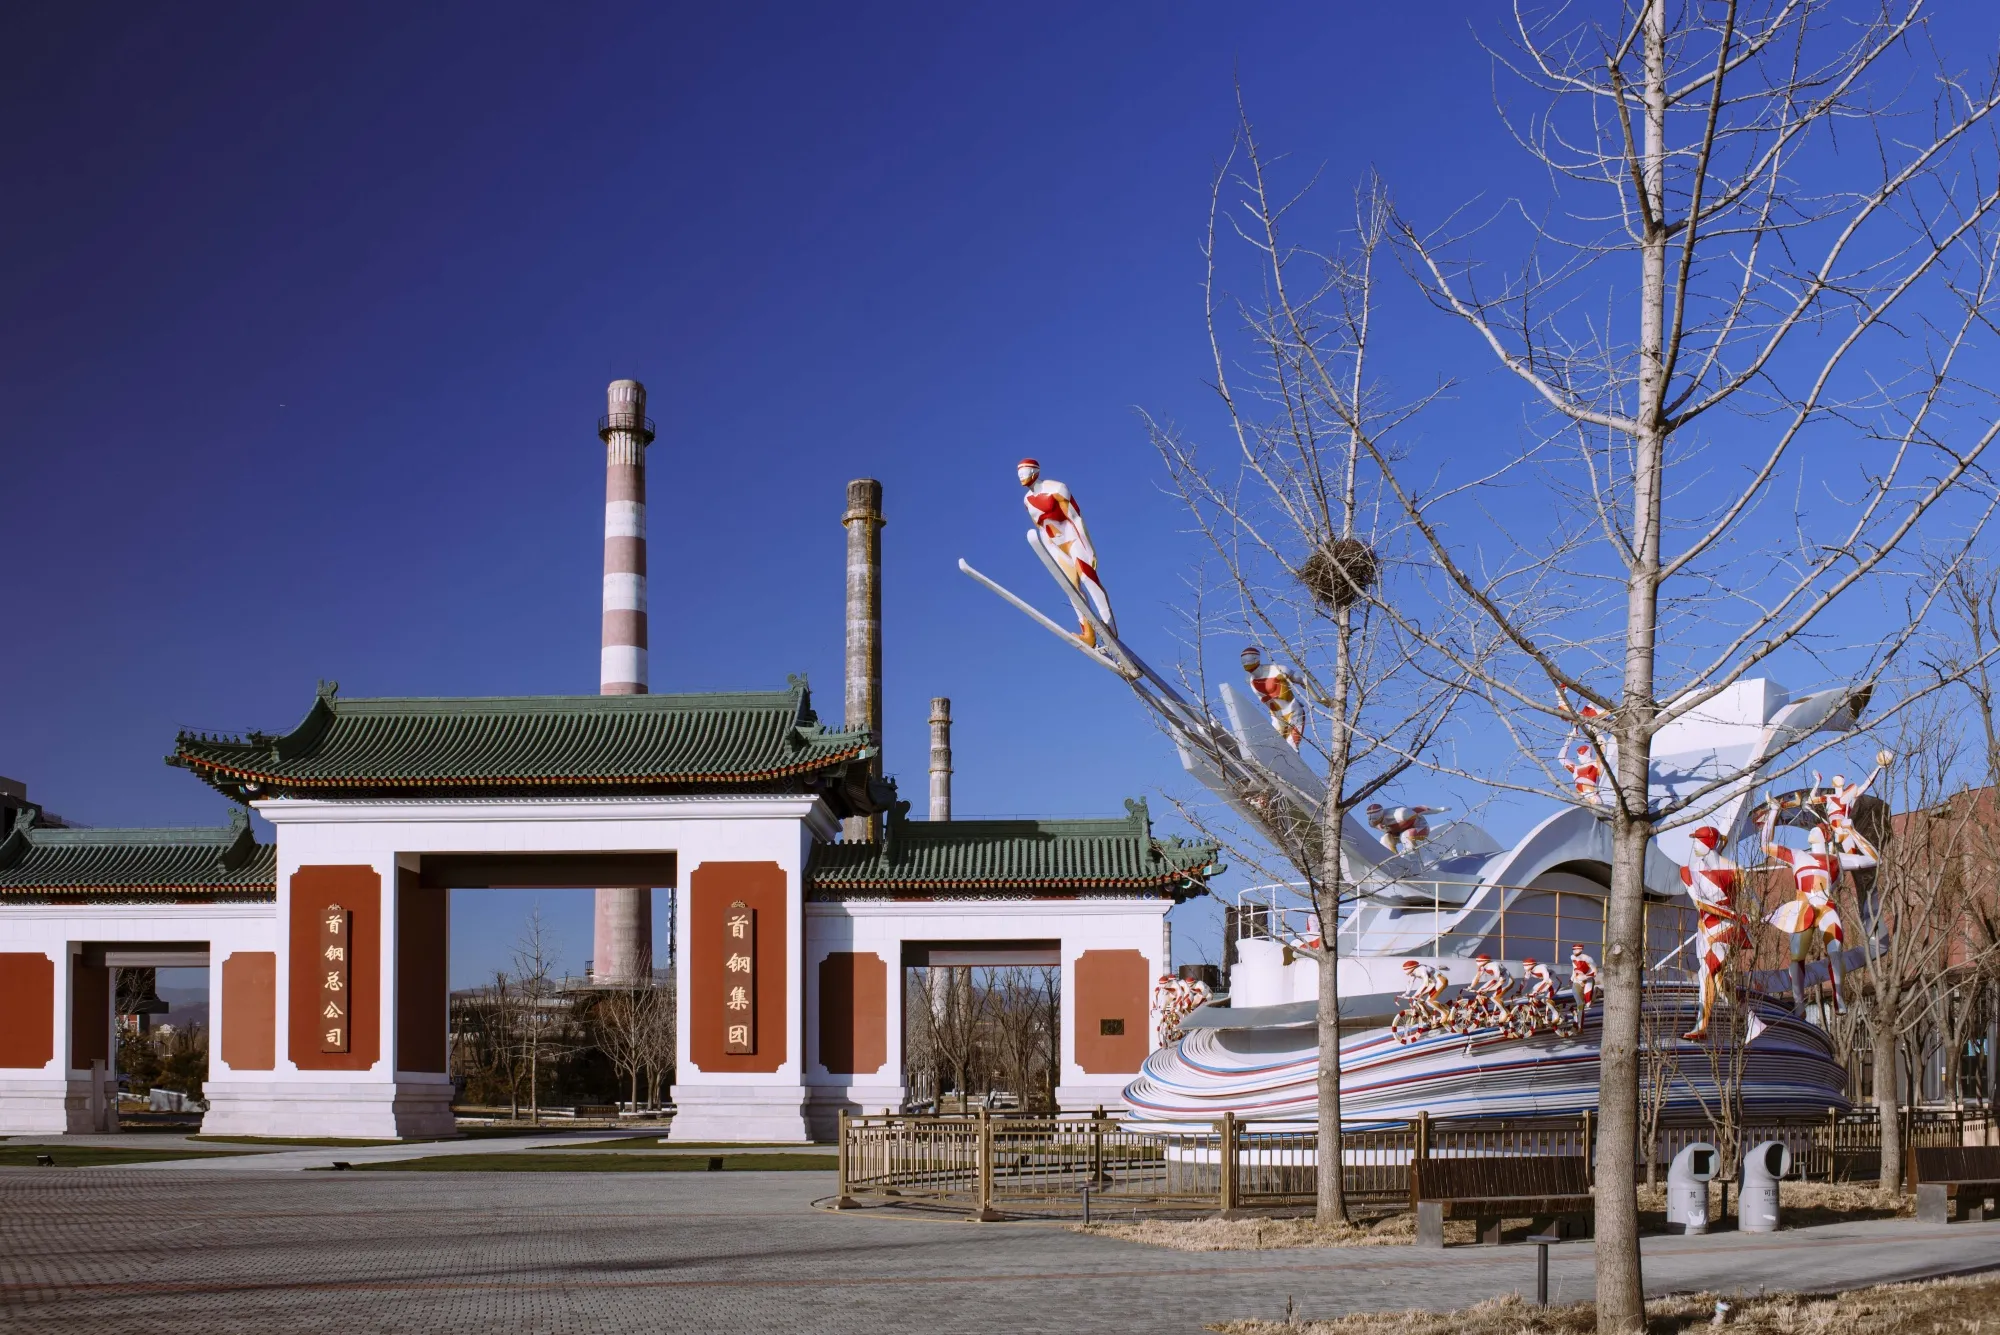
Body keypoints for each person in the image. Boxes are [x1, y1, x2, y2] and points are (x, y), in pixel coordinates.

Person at [1761, 802, 1848, 1014]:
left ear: (1825, 835)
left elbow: (1867, 861)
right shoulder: (1798, 855)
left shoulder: (1836, 860)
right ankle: (1799, 1003)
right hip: (1803, 909)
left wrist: (1849, 830)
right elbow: (1765, 845)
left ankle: (1838, 996)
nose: (1811, 829)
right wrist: (1773, 812)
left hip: (1826, 907)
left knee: (1835, 951)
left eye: (1817, 828)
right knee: (1796, 958)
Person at [1017, 459, 1113, 646]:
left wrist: (1089, 547)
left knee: (1087, 577)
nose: (1021, 475)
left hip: (1073, 539)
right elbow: (1041, 527)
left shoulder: (1057, 489)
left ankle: (1108, 624)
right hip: (1054, 544)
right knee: (1071, 587)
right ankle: (1088, 632)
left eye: (1025, 471)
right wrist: (1048, 549)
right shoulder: (1027, 501)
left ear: (1035, 471)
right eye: (1019, 472)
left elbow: (1076, 518)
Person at [1677, 825, 1749, 1041]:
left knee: (1707, 971)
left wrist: (1746, 915)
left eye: (1698, 840)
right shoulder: (1688, 871)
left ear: (1707, 843)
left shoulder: (1737, 870)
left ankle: (1702, 1025)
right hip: (1706, 928)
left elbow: (1751, 902)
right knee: (1714, 978)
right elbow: (1700, 903)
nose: (1694, 844)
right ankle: (1745, 1013)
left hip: (1726, 931)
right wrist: (1735, 914)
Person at [1809, 766, 1883, 868]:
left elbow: (1867, 784)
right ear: (1833, 783)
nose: (1839, 778)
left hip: (1845, 830)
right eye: (1836, 778)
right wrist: (1817, 782)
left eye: (1840, 778)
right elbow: (1810, 800)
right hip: (1831, 830)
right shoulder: (1829, 798)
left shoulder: (1850, 796)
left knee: (1852, 861)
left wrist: (1878, 767)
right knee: (1824, 852)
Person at [1240, 646, 1303, 749]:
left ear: (1256, 659)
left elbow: (1301, 678)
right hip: (1276, 716)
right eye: (1243, 660)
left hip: (1293, 711)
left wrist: (1320, 698)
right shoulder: (1249, 680)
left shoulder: (1278, 670)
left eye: (1248, 659)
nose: (1246, 663)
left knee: (1292, 746)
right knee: (1274, 746)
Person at [1367, 803, 1451, 855]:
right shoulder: (1373, 824)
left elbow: (1420, 809)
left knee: (1405, 835)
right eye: (1370, 817)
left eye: (1374, 817)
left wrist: (1439, 810)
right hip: (1398, 832)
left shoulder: (1400, 814)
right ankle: (1393, 859)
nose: (1373, 820)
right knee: (1384, 840)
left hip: (1420, 827)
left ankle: (1412, 857)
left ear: (1381, 814)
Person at [1568, 944, 1598, 1015]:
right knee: (1580, 1003)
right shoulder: (1572, 957)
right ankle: (1579, 1019)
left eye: (1576, 949)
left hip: (1588, 979)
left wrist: (1585, 978)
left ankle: (1595, 992)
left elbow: (1595, 972)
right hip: (1578, 980)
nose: (1574, 951)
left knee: (1588, 1004)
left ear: (1581, 950)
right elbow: (1574, 968)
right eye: (1573, 949)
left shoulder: (1588, 958)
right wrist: (1572, 978)